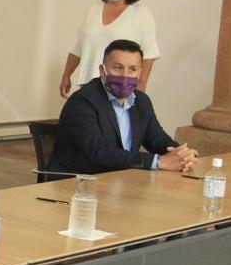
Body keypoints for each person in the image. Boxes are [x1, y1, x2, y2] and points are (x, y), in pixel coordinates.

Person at [48, 40, 196, 175]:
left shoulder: (141, 101)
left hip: (119, 181)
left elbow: (158, 139)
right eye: (118, 68)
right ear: (102, 70)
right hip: (77, 185)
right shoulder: (82, 102)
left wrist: (182, 154)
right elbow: (99, 152)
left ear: (139, 72)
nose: (125, 75)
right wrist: (159, 162)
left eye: (132, 69)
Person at [59, 0, 159, 97]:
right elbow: (77, 47)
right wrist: (66, 75)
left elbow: (149, 53)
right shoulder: (92, 11)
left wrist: (140, 88)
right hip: (88, 86)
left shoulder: (141, 13)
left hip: (120, 88)